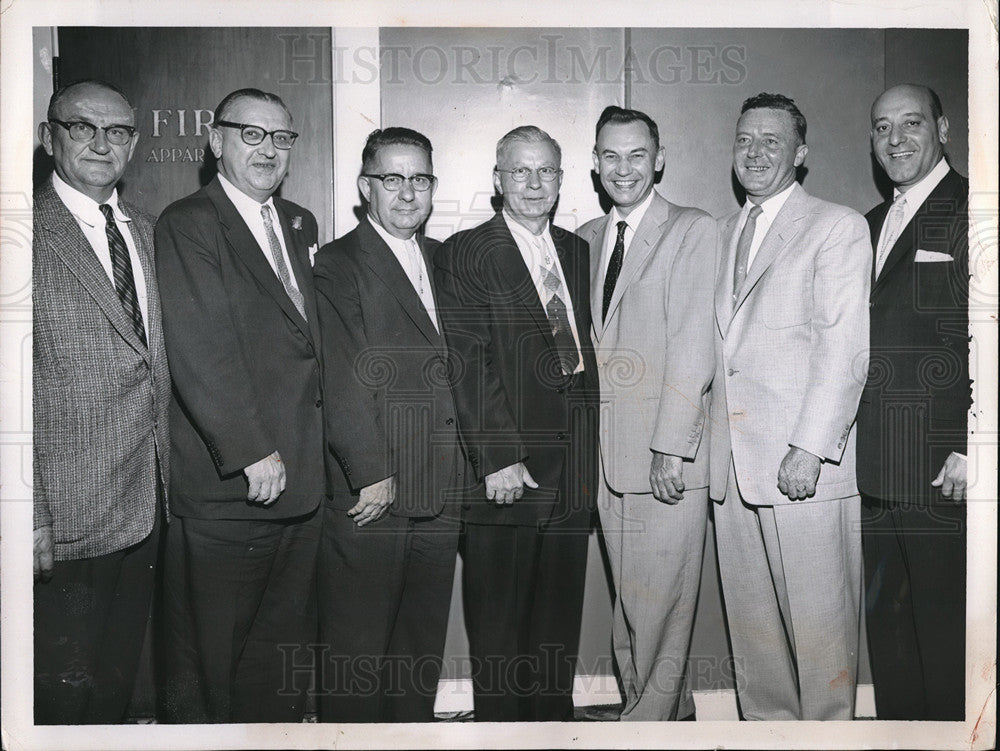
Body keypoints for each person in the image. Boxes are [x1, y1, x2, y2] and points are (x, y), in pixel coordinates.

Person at [155, 88, 338, 723]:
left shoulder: (298, 223)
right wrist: (250, 449)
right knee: (214, 658)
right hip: (236, 482)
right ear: (215, 140)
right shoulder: (189, 223)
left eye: (281, 138)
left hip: (302, 482)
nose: (268, 150)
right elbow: (200, 348)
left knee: (280, 653)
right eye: (251, 135)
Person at [709, 93, 871, 720]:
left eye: (771, 141)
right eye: (745, 139)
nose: (754, 152)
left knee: (821, 631)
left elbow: (844, 347)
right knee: (754, 641)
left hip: (803, 464)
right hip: (733, 471)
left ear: (800, 154)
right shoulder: (725, 233)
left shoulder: (835, 226)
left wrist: (809, 448)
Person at [434, 126, 599, 721]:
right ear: (497, 179)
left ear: (561, 179)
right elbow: (467, 360)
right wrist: (499, 456)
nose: (534, 184)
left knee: (557, 625)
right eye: (521, 171)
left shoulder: (576, 251)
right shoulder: (466, 251)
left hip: (573, 470)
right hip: (511, 474)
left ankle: (553, 729)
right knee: (501, 629)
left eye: (547, 171)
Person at [312, 127, 464, 722]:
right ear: (364, 187)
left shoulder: (440, 256)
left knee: (417, 650)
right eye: (392, 178)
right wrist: (370, 473)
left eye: (420, 178)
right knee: (358, 652)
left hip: (441, 487)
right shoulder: (338, 263)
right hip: (376, 491)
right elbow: (341, 376)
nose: (407, 192)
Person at [32, 79, 169, 725]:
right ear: (48, 136)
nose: (100, 143)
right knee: (59, 696)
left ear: (135, 144)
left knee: (116, 684)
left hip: (148, 503)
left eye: (117, 131)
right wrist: (25, 511)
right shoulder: (19, 235)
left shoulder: (147, 231)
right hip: (62, 514)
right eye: (81, 126)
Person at [576, 106, 715, 721]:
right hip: (606, 459)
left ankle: (645, 727)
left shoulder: (692, 229)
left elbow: (693, 345)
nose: (623, 168)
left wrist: (671, 447)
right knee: (633, 604)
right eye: (610, 155)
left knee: (661, 605)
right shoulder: (582, 237)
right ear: (595, 163)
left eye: (637, 155)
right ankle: (659, 713)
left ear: (659, 160)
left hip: (664, 458)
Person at [856, 84, 970, 721]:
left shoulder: (974, 210)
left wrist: (971, 445)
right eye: (881, 128)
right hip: (874, 464)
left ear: (943, 127)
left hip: (940, 466)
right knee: (889, 625)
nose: (895, 140)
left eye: (910, 123)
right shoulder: (869, 225)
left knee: (945, 630)